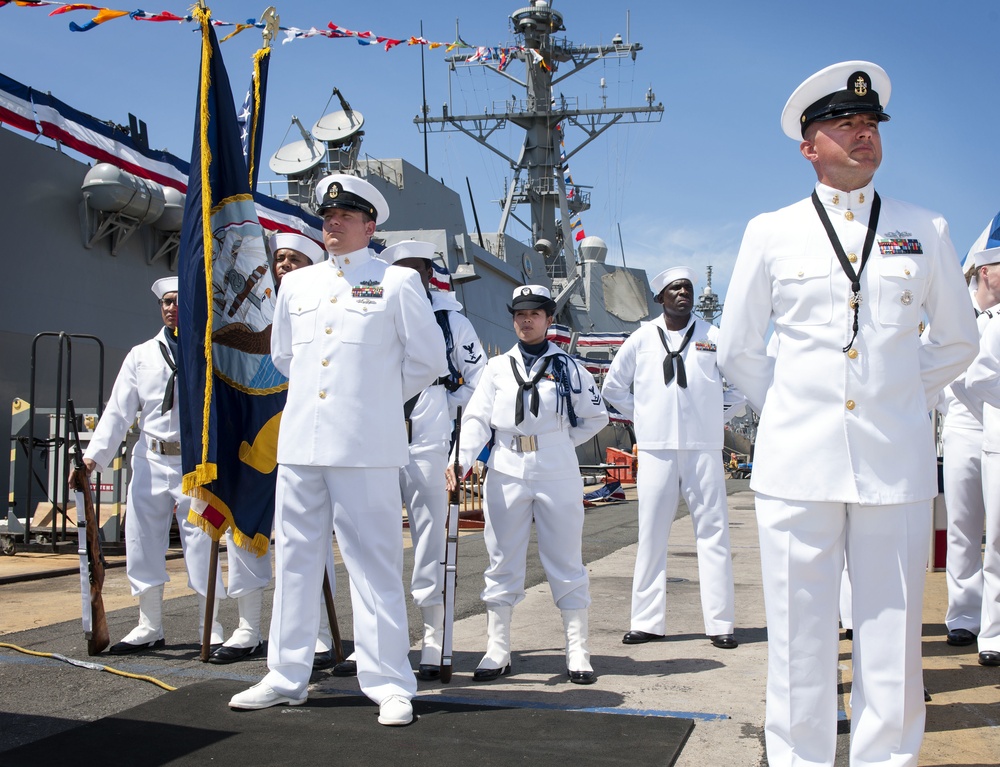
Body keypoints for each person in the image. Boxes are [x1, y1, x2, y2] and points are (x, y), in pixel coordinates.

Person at [717, 61, 978, 766]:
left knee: (891, 635)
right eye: (846, 125)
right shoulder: (771, 232)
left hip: (893, 463)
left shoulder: (927, 227)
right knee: (801, 636)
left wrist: (897, 392)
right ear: (809, 146)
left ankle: (885, 759)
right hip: (796, 465)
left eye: (870, 125)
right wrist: (801, 408)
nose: (864, 136)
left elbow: (959, 340)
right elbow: (739, 349)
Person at [228, 174, 446, 727]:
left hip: (367, 446)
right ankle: (285, 676)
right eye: (328, 215)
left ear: (370, 226)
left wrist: (368, 401)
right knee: (297, 563)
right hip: (302, 446)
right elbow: (284, 357)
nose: (333, 222)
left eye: (346, 216)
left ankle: (391, 682)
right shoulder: (298, 288)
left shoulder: (396, 283)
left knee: (372, 565)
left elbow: (427, 361)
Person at [446, 285, 609, 684]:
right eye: (520, 313)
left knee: (566, 558)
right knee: (501, 558)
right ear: (513, 318)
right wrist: (460, 460)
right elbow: (477, 420)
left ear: (549, 319)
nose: (527, 319)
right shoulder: (497, 370)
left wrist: (555, 443)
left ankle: (577, 651)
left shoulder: (570, 368)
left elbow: (596, 416)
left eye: (536, 313)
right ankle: (497, 650)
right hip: (506, 468)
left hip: (557, 471)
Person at [209, 232, 341, 666]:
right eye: (279, 258)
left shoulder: (329, 314)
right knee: (242, 531)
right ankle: (248, 628)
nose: (283, 264)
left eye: (295, 259)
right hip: (256, 438)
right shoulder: (251, 317)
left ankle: (318, 632)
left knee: (308, 540)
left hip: (307, 438)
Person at [602, 266, 746, 650]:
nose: (683, 292)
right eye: (674, 288)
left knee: (713, 535)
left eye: (687, 287)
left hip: (703, 449)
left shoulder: (714, 337)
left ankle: (721, 624)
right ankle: (646, 622)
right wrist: (643, 416)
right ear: (659, 297)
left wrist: (718, 415)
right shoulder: (641, 339)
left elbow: (741, 389)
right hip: (656, 450)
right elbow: (613, 386)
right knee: (651, 535)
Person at [84, 276, 223, 654]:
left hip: (194, 466)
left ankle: (210, 623)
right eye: (165, 302)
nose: (171, 308)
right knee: (142, 542)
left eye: (178, 301)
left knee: (200, 543)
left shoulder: (207, 351)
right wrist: (92, 458)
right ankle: (149, 625)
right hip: (149, 460)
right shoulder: (140, 355)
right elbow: (118, 411)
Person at [936, 244, 1000, 651]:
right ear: (986, 272)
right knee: (961, 526)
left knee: (995, 535)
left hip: (996, 421)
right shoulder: (955, 316)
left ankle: (993, 631)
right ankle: (963, 617)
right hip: (961, 424)